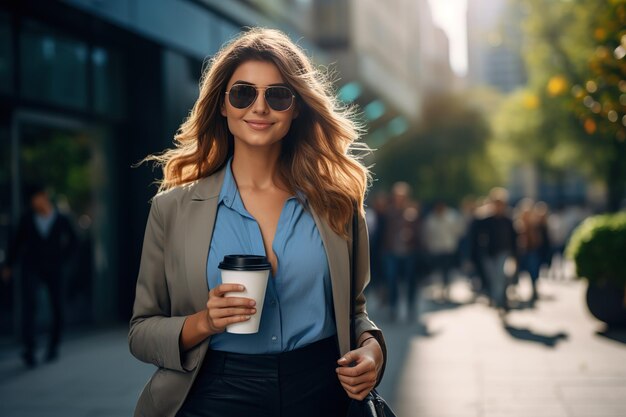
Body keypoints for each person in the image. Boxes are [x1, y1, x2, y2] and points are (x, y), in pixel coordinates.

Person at [129, 28, 387, 417]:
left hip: (322, 392)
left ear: (296, 107)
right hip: (215, 392)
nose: (260, 107)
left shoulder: (337, 202)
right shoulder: (173, 209)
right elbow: (141, 331)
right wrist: (203, 322)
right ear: (222, 105)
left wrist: (372, 349)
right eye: (243, 93)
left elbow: (353, 311)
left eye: (278, 95)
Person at [2, 184, 77, 367]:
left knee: (57, 306)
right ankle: (29, 348)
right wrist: (9, 265)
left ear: (44, 197)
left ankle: (53, 346)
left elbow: (74, 241)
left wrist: (63, 259)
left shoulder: (60, 218)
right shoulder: (27, 219)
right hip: (32, 267)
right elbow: (17, 243)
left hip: (55, 268)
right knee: (30, 305)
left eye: (36, 198)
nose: (34, 203)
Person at [380, 182, 423, 321]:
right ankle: (393, 308)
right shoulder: (389, 212)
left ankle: (411, 306)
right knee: (392, 280)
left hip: (409, 251)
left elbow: (419, 232)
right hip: (391, 252)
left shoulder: (412, 211)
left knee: (410, 280)